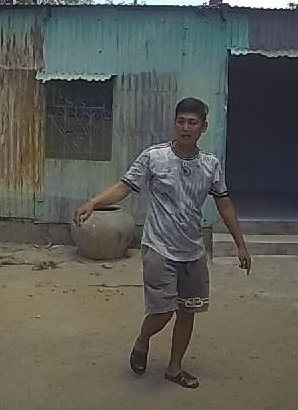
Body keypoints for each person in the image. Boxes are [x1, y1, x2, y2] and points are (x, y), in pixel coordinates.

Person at [73, 97, 251, 389]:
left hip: (192, 251)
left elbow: (224, 204)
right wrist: (93, 203)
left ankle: (175, 368)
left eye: (192, 123)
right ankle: (143, 340)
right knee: (162, 311)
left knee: (188, 311)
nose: (185, 128)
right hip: (159, 248)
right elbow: (124, 187)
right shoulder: (154, 157)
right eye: (181, 121)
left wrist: (240, 244)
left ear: (203, 128)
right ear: (174, 123)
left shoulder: (210, 165)